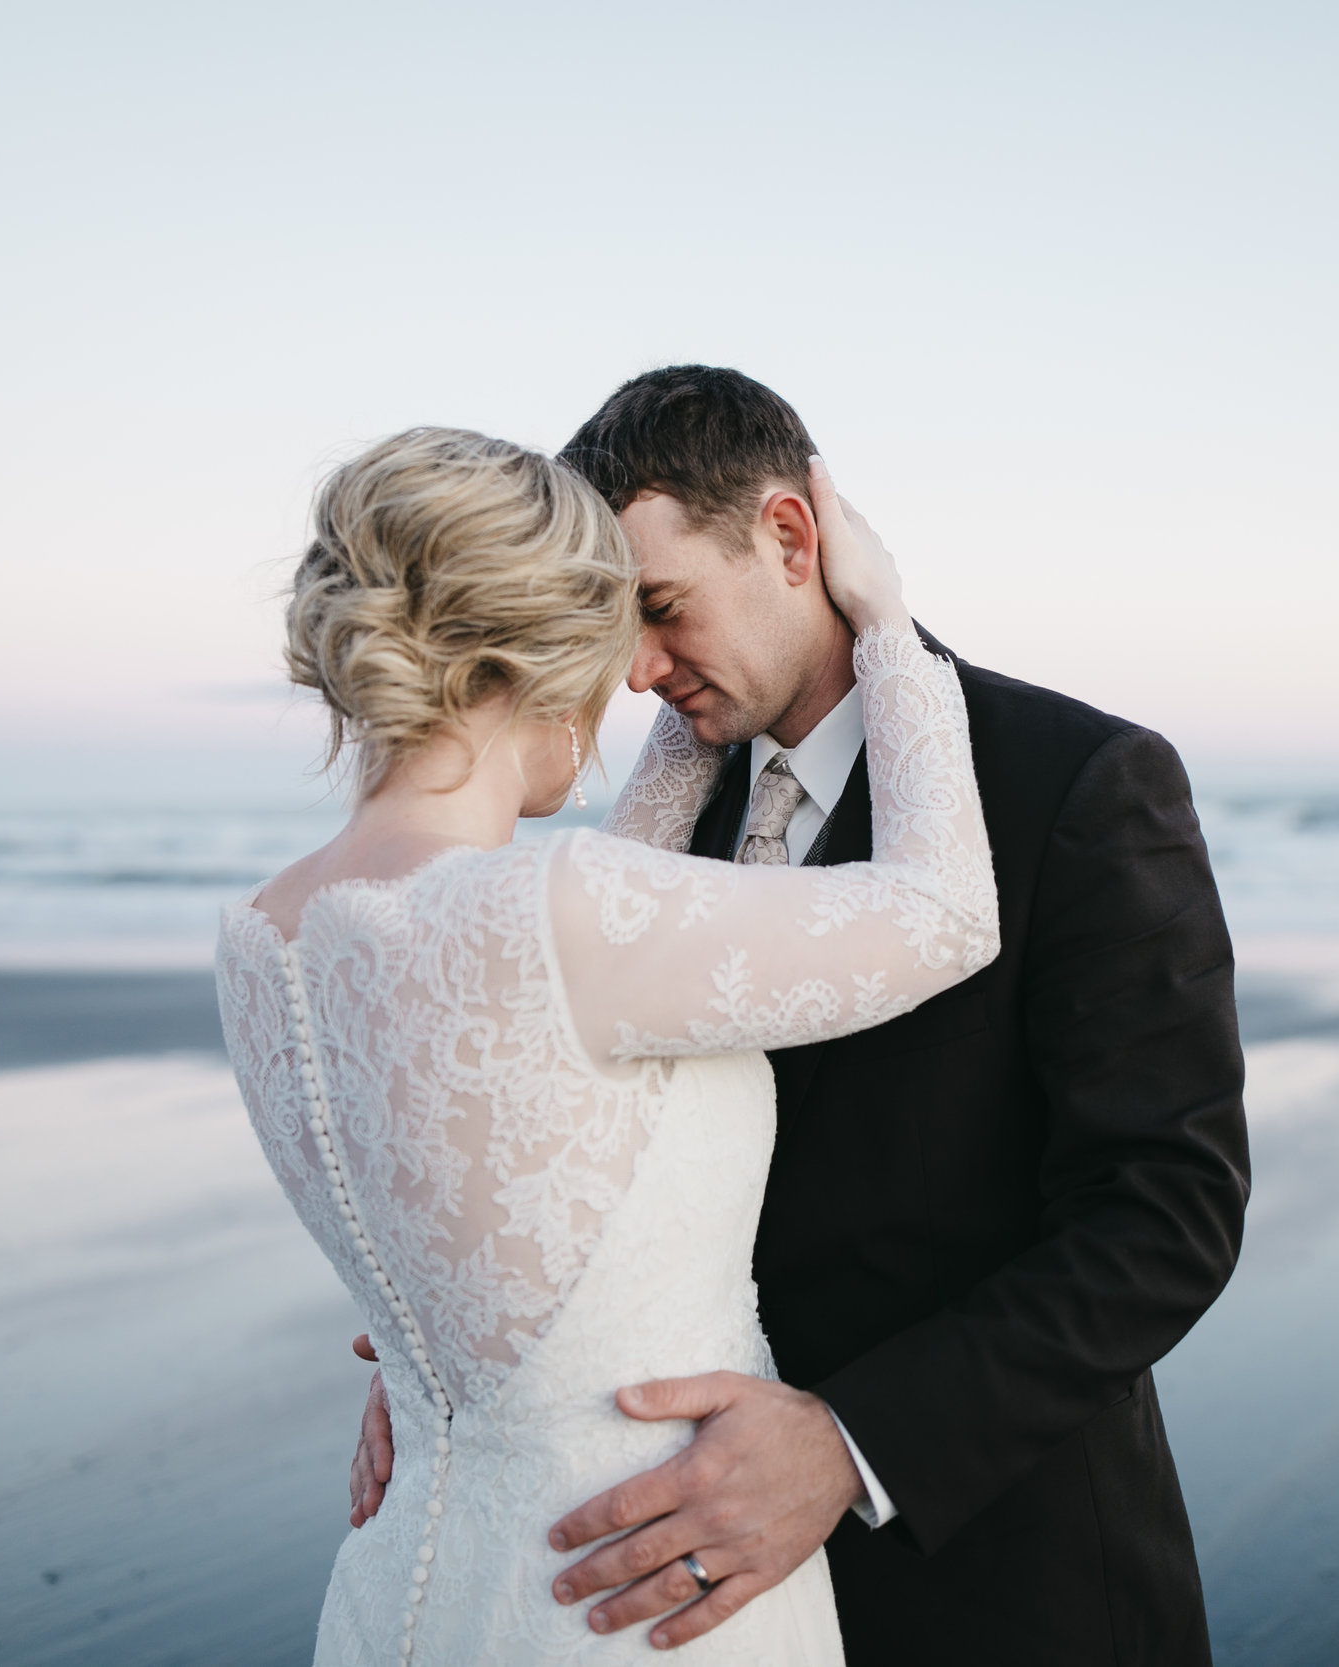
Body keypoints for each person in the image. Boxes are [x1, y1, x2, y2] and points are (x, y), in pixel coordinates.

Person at [347, 368, 1253, 1664]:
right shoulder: (651, 838)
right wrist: (460, 1324)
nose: (641, 670)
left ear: (787, 536)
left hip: (998, 1577)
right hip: (691, 1594)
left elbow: (1169, 1210)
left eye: (660, 609)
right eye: (613, 630)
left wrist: (850, 1439)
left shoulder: (1077, 782)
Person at [218, 423, 997, 1663]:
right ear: (544, 646)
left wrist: (702, 725)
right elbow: (946, 914)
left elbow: (588, 951)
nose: (635, 672)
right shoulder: (561, 914)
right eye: (615, 625)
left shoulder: (266, 935)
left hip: (407, 1583)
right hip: (642, 1590)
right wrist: (886, 623)